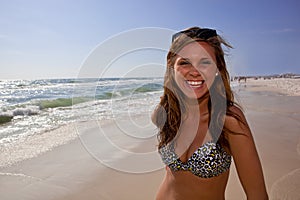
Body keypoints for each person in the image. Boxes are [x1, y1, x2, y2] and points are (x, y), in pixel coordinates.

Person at [151, 27, 268, 200]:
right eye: (185, 62)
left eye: (205, 62)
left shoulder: (228, 120)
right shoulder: (166, 114)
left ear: (217, 68)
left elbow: (257, 195)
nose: (194, 71)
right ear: (172, 67)